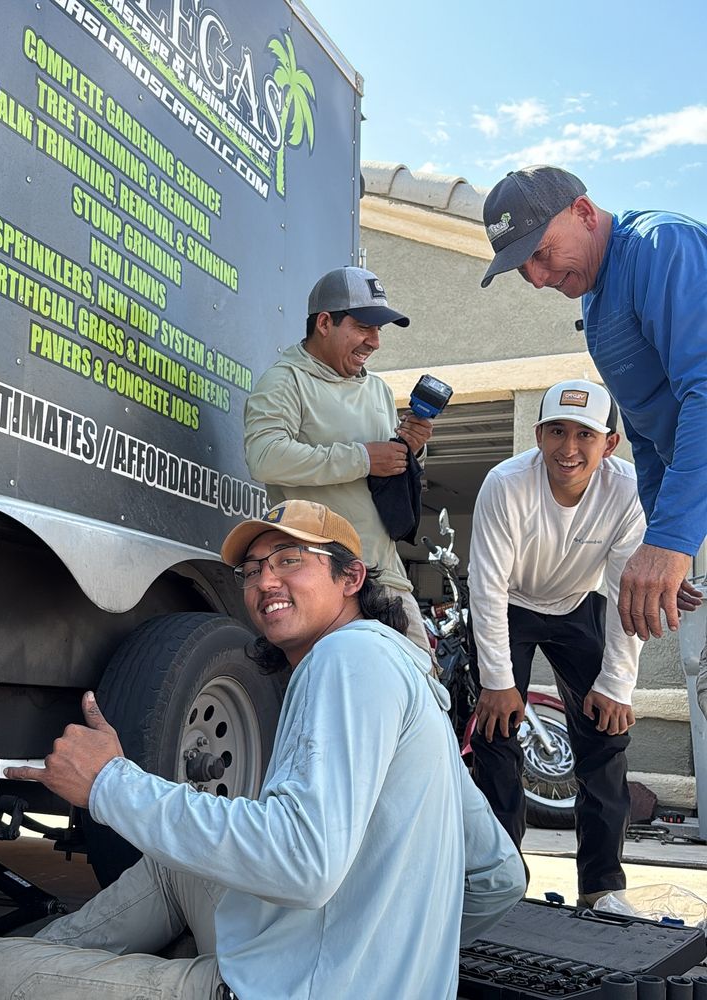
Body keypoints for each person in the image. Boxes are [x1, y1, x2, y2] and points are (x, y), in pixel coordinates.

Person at [0, 499, 524, 1000]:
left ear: (351, 578)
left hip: (272, 989)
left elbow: (302, 862)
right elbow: (498, 875)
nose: (265, 580)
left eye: (290, 560)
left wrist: (110, 784)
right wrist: (388, 956)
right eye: (252, 570)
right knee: (175, 868)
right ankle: (36, 971)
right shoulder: (412, 684)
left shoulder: (345, 660)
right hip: (318, 963)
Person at [478, 165, 705, 661]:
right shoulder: (598, 308)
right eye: (523, 268)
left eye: (540, 253)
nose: (536, 279)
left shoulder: (660, 248)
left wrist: (671, 540)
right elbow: (645, 436)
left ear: (582, 211)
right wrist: (659, 536)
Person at [467, 379, 645, 906]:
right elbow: (488, 586)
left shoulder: (627, 490)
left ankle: (602, 886)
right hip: (511, 607)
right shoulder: (506, 483)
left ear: (609, 443)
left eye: (585, 435)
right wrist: (498, 682)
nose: (570, 449)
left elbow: (622, 595)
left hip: (577, 604)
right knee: (497, 739)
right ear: (539, 434)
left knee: (605, 737)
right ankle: (501, 879)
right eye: (558, 432)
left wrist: (617, 684)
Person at [243, 265, 435, 653]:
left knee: (423, 691)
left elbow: (381, 475)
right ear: (326, 323)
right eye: (365, 327)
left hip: (386, 577)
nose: (375, 342)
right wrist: (363, 458)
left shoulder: (378, 389)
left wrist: (409, 451)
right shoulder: (284, 381)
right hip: (325, 580)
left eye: (379, 331)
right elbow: (264, 456)